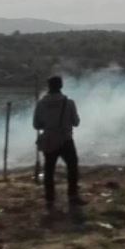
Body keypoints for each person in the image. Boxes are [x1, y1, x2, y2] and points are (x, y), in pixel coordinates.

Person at [32, 75, 83, 210]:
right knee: (72, 166)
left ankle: (50, 199)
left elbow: (36, 125)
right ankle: (72, 196)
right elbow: (76, 122)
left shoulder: (41, 103)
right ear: (61, 86)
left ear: (49, 86)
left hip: (49, 139)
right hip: (66, 139)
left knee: (49, 170)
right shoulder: (69, 102)